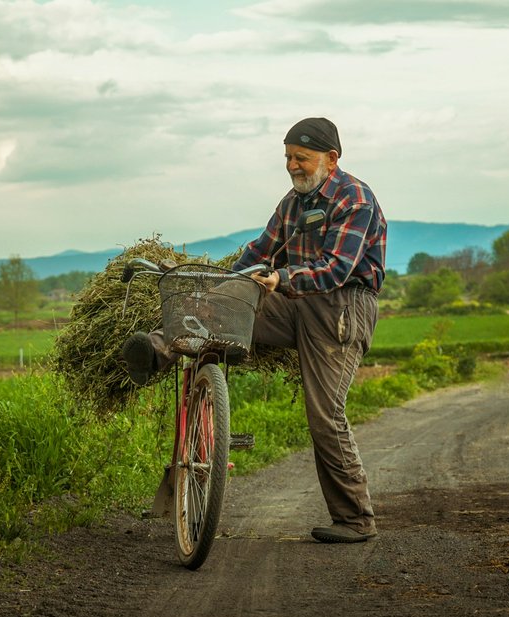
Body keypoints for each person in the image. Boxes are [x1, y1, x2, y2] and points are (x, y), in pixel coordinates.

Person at [123, 117, 387, 544]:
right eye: (287, 158)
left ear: (331, 159)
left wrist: (283, 279)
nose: (292, 166)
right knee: (227, 301)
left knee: (324, 417)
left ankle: (356, 519)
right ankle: (156, 349)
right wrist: (212, 278)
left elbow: (338, 269)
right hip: (294, 301)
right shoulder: (292, 202)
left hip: (341, 307)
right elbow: (260, 250)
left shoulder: (354, 198)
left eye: (301, 158)